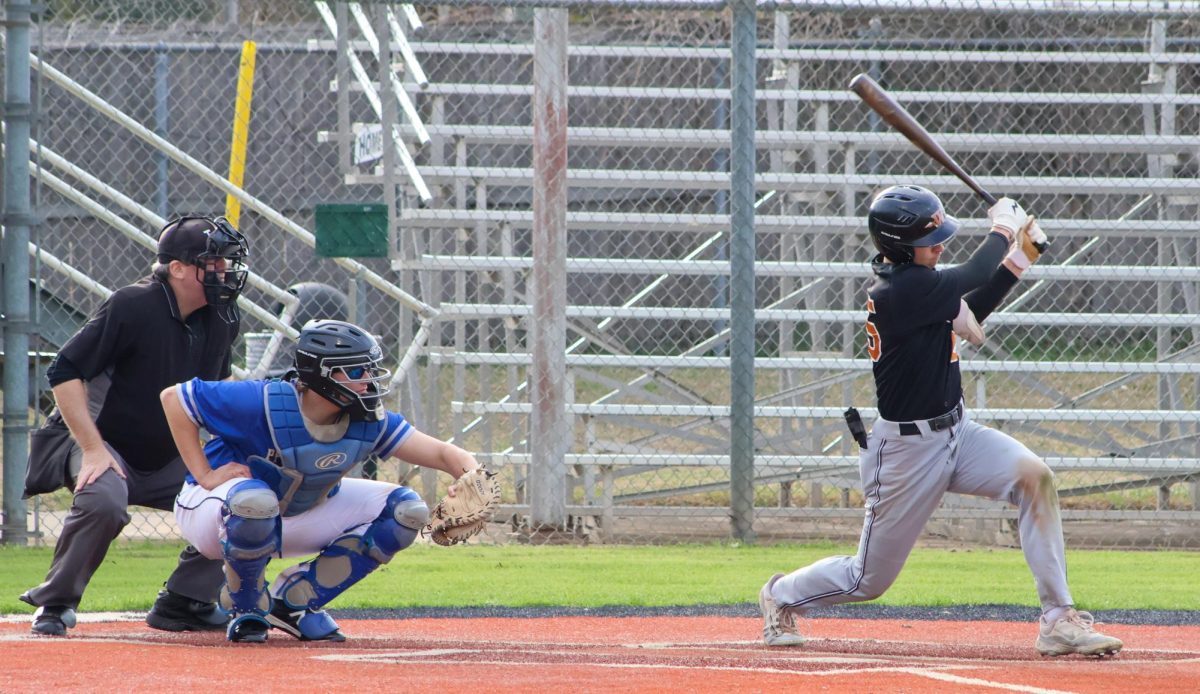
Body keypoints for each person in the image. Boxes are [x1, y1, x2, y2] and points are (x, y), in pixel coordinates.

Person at [758, 185, 1123, 657]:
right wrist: (1004, 229)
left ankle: (1058, 619)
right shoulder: (900, 289)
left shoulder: (921, 283)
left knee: (1035, 477)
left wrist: (1021, 256)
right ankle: (780, 595)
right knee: (866, 579)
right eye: (929, 239)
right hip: (906, 453)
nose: (940, 245)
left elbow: (975, 304)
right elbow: (972, 273)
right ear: (897, 244)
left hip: (959, 432)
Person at [163, 319, 482, 643]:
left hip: (291, 512)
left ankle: (295, 602)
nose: (369, 381)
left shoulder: (367, 418)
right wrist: (204, 473)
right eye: (358, 372)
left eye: (371, 370)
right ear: (322, 374)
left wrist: (472, 478)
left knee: (406, 510)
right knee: (255, 502)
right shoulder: (261, 401)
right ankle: (247, 607)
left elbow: (443, 453)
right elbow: (173, 399)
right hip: (212, 510)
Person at [20, 215, 249, 636]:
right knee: (104, 500)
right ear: (177, 268)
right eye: (212, 262)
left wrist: (235, 455)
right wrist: (92, 449)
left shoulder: (223, 317)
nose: (224, 272)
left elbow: (214, 396)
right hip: (102, 442)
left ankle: (185, 601)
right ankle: (56, 603)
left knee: (245, 498)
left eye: (225, 263)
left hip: (169, 455)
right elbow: (64, 371)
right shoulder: (132, 304)